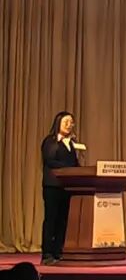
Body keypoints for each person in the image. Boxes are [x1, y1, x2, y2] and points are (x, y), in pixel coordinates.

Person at [40, 111, 79, 265]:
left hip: (67, 187)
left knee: (63, 220)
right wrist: (69, 169)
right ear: (58, 123)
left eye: (71, 122)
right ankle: (47, 254)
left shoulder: (72, 143)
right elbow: (50, 161)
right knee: (51, 219)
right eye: (66, 122)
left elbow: (75, 163)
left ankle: (58, 251)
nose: (69, 125)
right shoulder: (50, 141)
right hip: (52, 186)